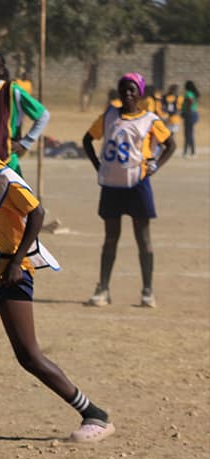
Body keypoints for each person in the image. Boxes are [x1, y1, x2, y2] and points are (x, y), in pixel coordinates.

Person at [0, 104, 115, 446]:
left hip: (6, 277)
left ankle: (94, 413)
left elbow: (37, 212)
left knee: (29, 356)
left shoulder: (2, 176)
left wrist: (16, 263)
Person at [83, 73, 176, 308]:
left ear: (140, 93)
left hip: (137, 184)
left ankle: (147, 291)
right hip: (112, 186)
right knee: (110, 238)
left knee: (143, 239)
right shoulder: (109, 115)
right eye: (123, 89)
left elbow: (171, 144)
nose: (127, 94)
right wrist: (98, 166)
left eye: (132, 90)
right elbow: (87, 139)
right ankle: (103, 289)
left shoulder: (150, 120)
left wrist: (156, 167)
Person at [182, 80, 199, 158]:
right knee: (189, 133)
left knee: (188, 133)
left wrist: (186, 111)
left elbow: (190, 101)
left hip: (189, 114)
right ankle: (189, 151)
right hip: (194, 113)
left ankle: (189, 152)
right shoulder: (193, 93)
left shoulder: (188, 93)